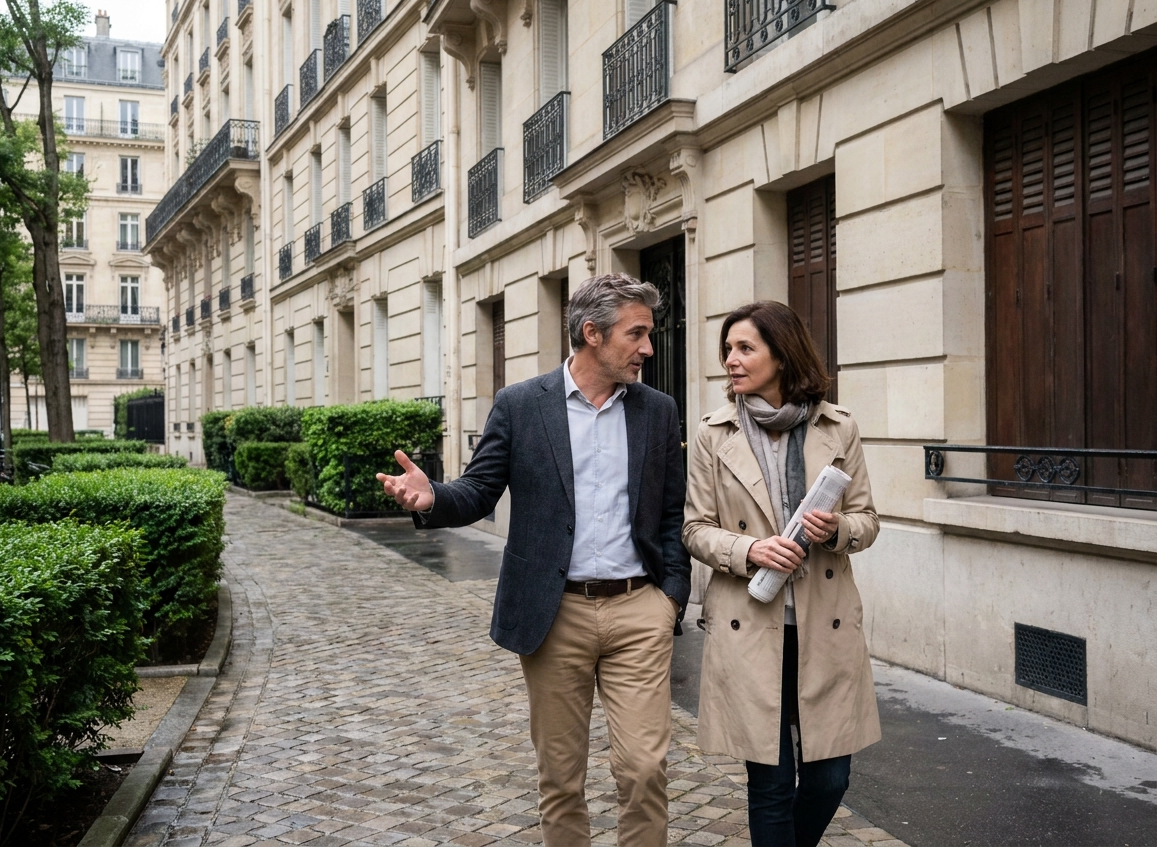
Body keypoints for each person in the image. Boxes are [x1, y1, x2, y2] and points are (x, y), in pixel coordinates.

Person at [377, 272, 691, 847]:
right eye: (637, 334)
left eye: (649, 334)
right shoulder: (521, 405)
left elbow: (672, 514)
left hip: (637, 610)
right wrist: (432, 498)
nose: (649, 348)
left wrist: (669, 596)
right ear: (592, 333)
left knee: (645, 769)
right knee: (562, 777)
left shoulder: (658, 410)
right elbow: (479, 491)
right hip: (555, 615)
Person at [682, 301, 880, 847]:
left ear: (783, 353)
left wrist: (836, 528)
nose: (731, 361)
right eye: (728, 349)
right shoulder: (713, 434)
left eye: (745, 348)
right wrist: (750, 549)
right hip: (750, 621)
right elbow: (694, 528)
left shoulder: (839, 428)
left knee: (830, 777)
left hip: (825, 624)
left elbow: (868, 521)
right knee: (769, 783)